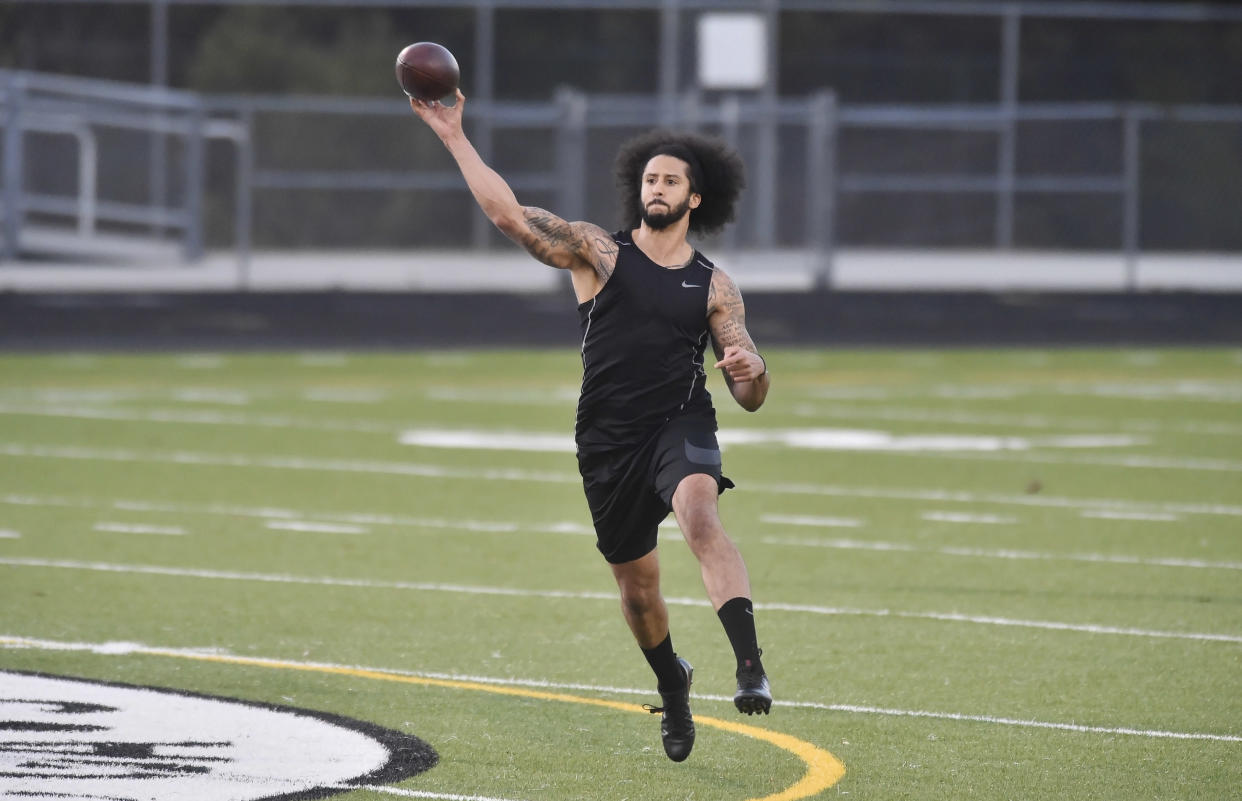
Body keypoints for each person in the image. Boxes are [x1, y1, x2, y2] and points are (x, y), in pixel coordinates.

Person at [410, 90, 772, 763]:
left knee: (701, 515)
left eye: (671, 180)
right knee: (639, 593)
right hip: (607, 440)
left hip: (680, 421)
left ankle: (750, 665)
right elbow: (509, 215)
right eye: (650, 178)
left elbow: (748, 390)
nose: (657, 187)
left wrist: (752, 368)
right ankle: (673, 681)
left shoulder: (715, 283)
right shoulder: (597, 250)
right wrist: (454, 134)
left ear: (696, 198)